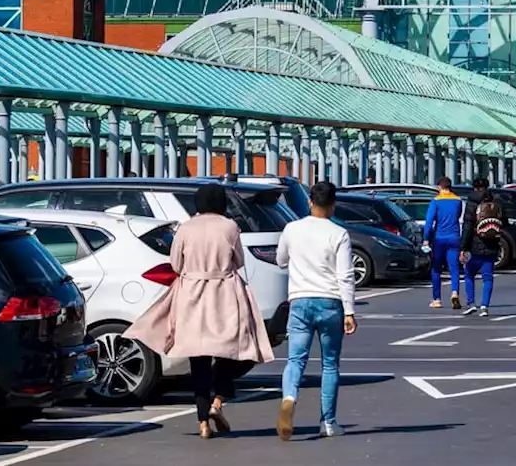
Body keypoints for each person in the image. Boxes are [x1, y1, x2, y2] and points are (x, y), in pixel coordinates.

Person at [125, 184, 272, 439]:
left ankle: (203, 421)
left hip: (192, 292)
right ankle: (218, 402)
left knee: (198, 358)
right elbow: (238, 261)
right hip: (224, 291)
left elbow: (175, 263)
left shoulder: (185, 228)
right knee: (229, 352)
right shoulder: (229, 227)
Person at [275, 181, 357, 441]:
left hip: (300, 300)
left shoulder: (292, 229)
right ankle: (328, 423)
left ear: (310, 202)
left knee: (295, 360)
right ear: (333, 205)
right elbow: (346, 276)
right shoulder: (339, 233)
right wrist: (349, 311)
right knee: (330, 364)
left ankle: (289, 397)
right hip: (330, 302)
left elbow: (280, 260)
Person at [460, 177, 504, 316]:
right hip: (492, 244)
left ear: (474, 188)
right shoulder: (495, 201)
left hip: (474, 244)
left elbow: (467, 227)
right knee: (488, 277)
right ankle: (484, 306)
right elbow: (505, 221)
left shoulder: (471, 203)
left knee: (469, 274)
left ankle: (471, 303)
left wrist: (463, 247)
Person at [424, 177, 466, 310]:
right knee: (454, 268)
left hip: (439, 238)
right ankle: (455, 292)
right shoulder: (458, 200)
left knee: (436, 269)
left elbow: (429, 222)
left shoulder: (435, 201)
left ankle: (437, 299)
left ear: (439, 187)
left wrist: (426, 239)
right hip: (454, 236)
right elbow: (458, 217)